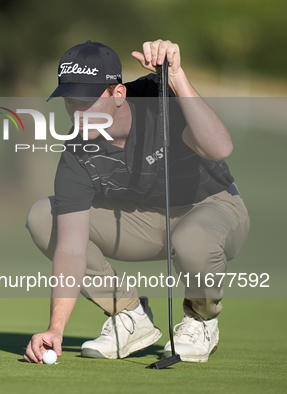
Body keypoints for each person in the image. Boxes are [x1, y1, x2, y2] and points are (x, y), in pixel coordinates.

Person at [23, 39, 250, 364]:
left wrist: (177, 78)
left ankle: (201, 320)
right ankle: (130, 316)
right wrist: (55, 329)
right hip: (142, 222)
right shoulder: (77, 150)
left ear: (118, 94)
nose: (78, 113)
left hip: (213, 208)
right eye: (71, 101)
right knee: (43, 216)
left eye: (87, 101)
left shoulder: (158, 98)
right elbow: (71, 248)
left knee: (192, 239)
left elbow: (219, 148)